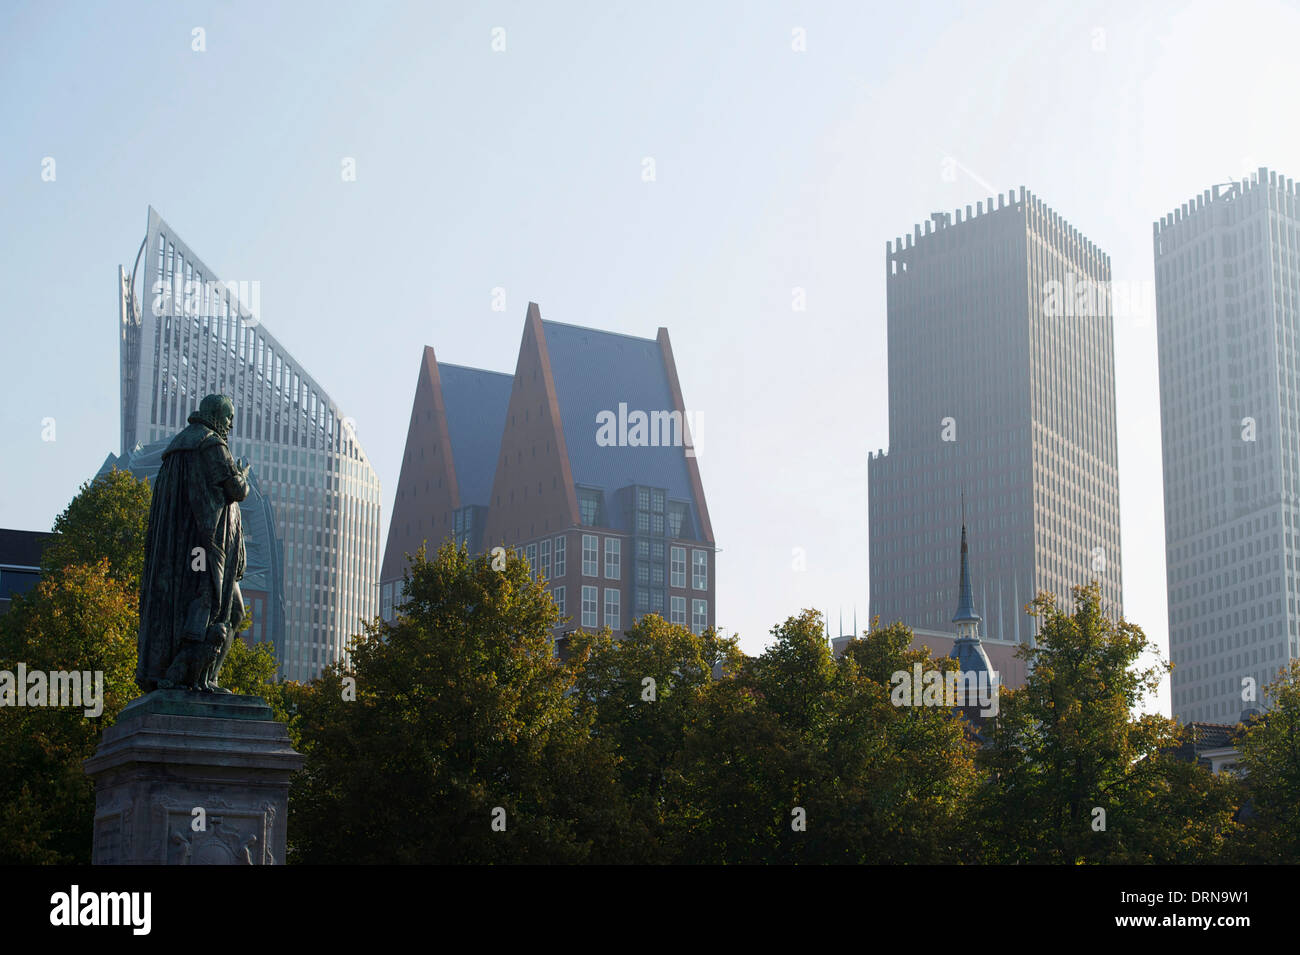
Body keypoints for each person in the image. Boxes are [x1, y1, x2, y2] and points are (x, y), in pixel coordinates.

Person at [136, 393, 249, 693]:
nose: (230, 426)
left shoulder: (177, 449)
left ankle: (192, 677)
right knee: (228, 612)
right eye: (228, 419)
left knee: (191, 611)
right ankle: (204, 679)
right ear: (214, 416)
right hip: (207, 548)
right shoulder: (211, 444)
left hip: (182, 550)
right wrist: (241, 475)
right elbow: (236, 489)